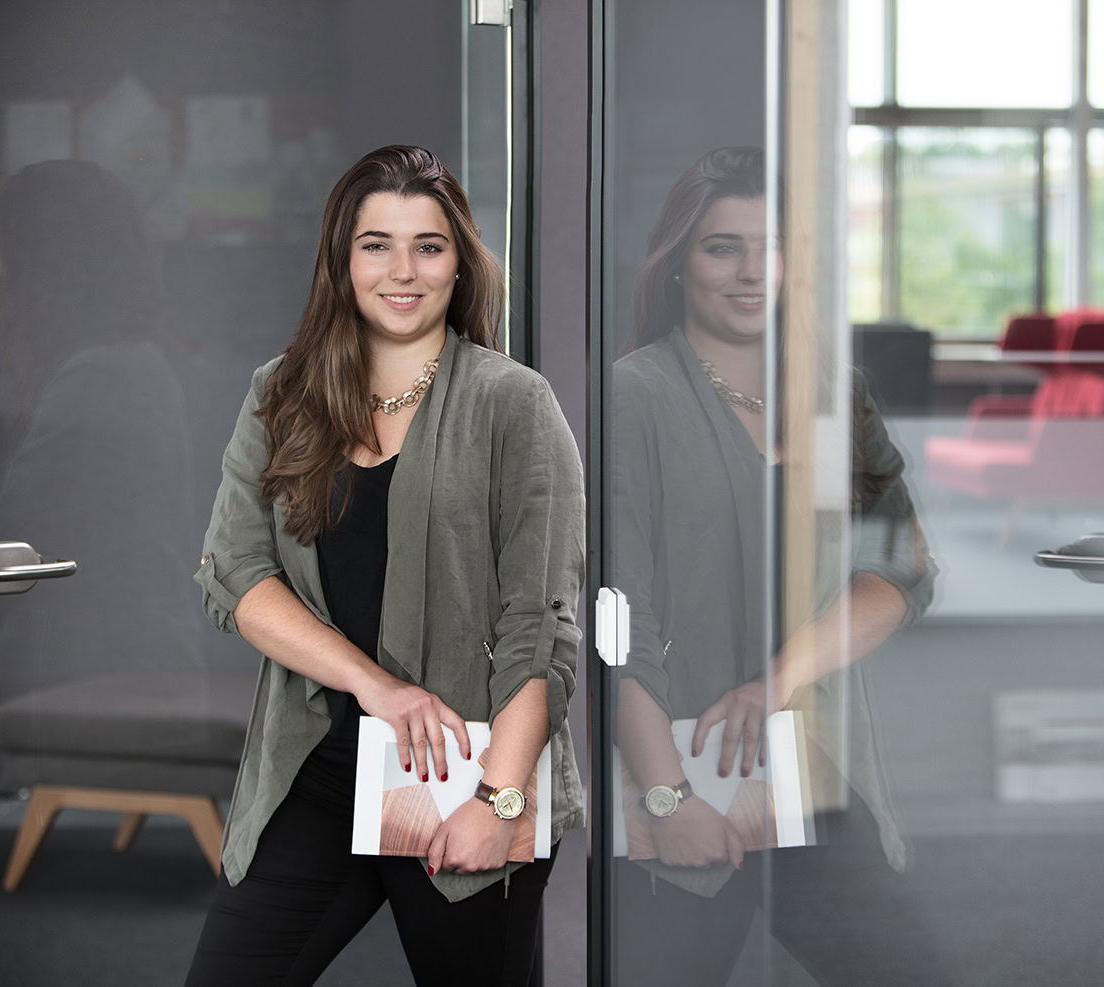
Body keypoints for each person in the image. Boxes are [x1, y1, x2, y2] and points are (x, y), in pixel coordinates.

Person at [184, 145, 585, 986]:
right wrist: (377, 685)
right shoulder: (280, 392)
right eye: (376, 243)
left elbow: (539, 629)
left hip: (467, 770)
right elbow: (237, 574)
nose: (402, 269)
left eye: (428, 246)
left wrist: (499, 801)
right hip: (319, 765)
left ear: (458, 263)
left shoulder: (512, 403)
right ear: (342, 260)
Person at [610, 146, 942, 984]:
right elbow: (615, 614)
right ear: (679, 263)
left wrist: (780, 677)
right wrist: (664, 799)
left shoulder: (834, 394)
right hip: (678, 777)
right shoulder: (632, 395)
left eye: (771, 244)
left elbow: (901, 568)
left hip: (806, 769)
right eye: (722, 246)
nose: (751, 270)